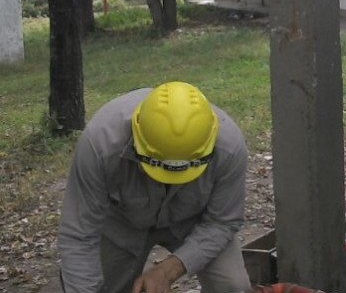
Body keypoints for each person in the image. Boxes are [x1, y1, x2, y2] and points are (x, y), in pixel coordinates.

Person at [58, 81, 251, 293]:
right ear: (137, 138)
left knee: (233, 286)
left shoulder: (229, 148)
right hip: (121, 222)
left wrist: (168, 270)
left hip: (193, 221)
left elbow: (222, 222)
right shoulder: (101, 143)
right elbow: (79, 234)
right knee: (91, 285)